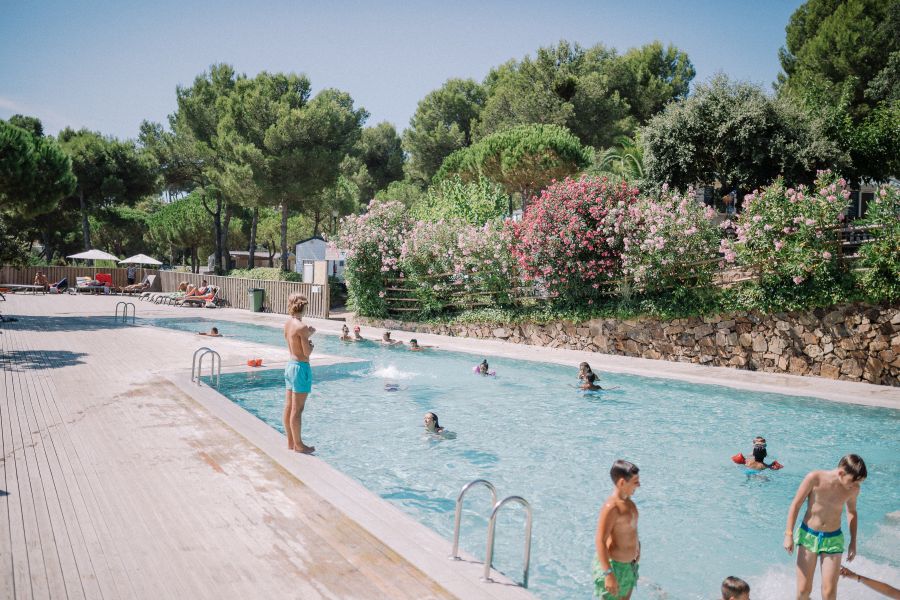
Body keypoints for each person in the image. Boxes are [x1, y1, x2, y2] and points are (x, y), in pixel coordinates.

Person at [785, 454, 867, 600]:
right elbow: (796, 504)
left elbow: (852, 512)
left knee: (829, 593)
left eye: (858, 483)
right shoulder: (814, 478)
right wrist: (789, 534)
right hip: (808, 536)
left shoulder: (853, 489)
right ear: (841, 473)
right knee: (803, 591)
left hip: (833, 539)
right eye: (852, 481)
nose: (854, 486)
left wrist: (853, 541)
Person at [593, 460, 641, 599]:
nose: (639, 485)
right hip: (614, 568)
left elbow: (631, 530)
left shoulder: (630, 503)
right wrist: (608, 574)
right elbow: (600, 540)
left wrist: (638, 548)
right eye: (635, 481)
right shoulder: (612, 508)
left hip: (629, 567)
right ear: (621, 483)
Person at [283, 293, 316, 454]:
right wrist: (309, 337)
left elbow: (292, 343)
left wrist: (305, 335)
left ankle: (290, 442)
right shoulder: (301, 327)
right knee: (298, 409)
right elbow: (307, 352)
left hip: (290, 366)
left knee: (289, 407)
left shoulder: (288, 323)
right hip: (301, 368)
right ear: (303, 307)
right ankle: (299, 445)